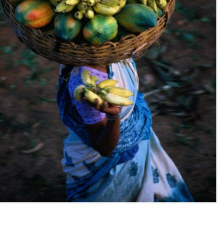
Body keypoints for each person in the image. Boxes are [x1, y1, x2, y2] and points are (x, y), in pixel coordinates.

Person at [57, 57, 193, 202]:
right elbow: (105, 148)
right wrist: (114, 115)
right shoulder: (88, 82)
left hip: (135, 145)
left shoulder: (116, 56)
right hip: (106, 166)